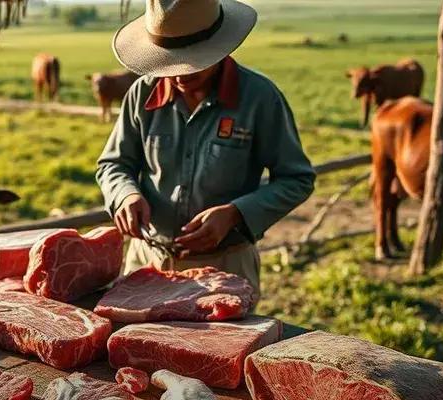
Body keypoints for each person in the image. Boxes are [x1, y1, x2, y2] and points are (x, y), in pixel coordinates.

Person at [96, 0, 315, 294]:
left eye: (192, 61)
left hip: (226, 268)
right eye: (169, 61)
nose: (179, 75)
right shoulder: (141, 94)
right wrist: (125, 195)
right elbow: (114, 164)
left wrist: (236, 213)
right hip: (148, 261)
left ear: (220, 47)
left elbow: (297, 179)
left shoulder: (260, 98)